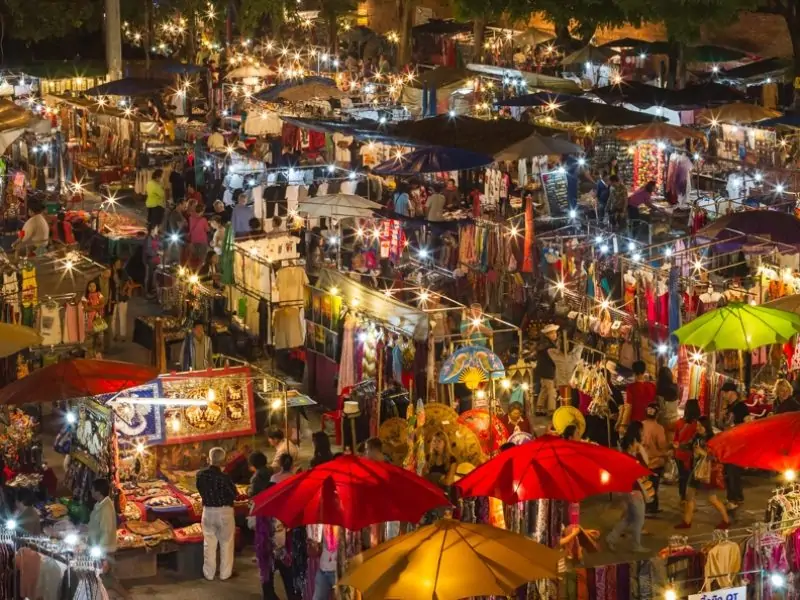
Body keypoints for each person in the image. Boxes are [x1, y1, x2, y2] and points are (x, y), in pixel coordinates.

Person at [675, 417, 730, 530]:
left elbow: (716, 457)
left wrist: (703, 453)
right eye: (698, 425)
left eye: (701, 426)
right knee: (689, 496)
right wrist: (679, 446)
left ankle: (726, 520)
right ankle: (687, 521)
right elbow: (689, 446)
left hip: (707, 472)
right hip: (695, 470)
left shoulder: (712, 439)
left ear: (706, 426)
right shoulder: (696, 437)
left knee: (712, 499)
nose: (698, 428)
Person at [605, 422, 649, 553]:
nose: (643, 435)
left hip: (627, 490)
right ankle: (636, 545)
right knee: (639, 519)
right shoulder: (632, 457)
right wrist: (641, 449)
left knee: (629, 518)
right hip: (633, 491)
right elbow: (646, 467)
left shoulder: (625, 454)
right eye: (641, 433)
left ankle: (611, 538)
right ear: (635, 438)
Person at [197, 448, 237, 581]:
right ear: (223, 461)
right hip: (224, 512)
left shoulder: (200, 475)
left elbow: (200, 489)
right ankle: (225, 574)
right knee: (226, 543)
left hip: (208, 512)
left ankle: (209, 573)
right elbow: (234, 494)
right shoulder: (225, 478)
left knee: (209, 543)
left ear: (209, 459)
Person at [89, 478, 129, 598]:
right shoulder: (100, 505)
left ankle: (126, 597)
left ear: (98, 492)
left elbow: (106, 532)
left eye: (92, 489)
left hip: (104, 551)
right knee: (107, 580)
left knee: (107, 580)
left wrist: (103, 556)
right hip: (100, 548)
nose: (91, 491)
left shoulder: (106, 508)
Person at [723, 381, 747, 508]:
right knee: (728, 472)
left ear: (731, 392)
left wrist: (734, 427)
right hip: (729, 444)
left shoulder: (741, 407)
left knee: (734, 472)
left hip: (737, 445)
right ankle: (731, 497)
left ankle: (736, 499)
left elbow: (746, 425)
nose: (724, 396)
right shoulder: (730, 406)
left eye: (725, 393)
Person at [641, 403, 668, 515]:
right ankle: (650, 509)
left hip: (642, 460)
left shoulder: (640, 425)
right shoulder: (658, 428)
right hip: (655, 462)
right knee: (653, 486)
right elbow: (662, 445)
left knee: (645, 485)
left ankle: (651, 507)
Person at [673, 399, 701, 501]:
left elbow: (675, 439)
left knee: (682, 477)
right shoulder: (698, 425)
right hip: (692, 455)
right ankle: (689, 499)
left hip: (679, 453)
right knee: (691, 478)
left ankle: (682, 497)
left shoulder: (679, 423)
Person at [535, 324, 559, 416]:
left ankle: (539, 408)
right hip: (548, 371)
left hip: (543, 370)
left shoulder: (543, 344)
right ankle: (552, 411)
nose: (554, 335)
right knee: (551, 391)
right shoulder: (549, 346)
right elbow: (553, 359)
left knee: (544, 389)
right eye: (552, 333)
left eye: (555, 333)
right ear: (547, 335)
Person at [110, 257, 132, 342]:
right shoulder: (110, 273)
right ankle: (114, 334)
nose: (119, 264)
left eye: (120, 263)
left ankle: (123, 335)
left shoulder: (123, 271)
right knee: (113, 317)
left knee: (122, 316)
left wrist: (123, 290)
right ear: (114, 264)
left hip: (122, 297)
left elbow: (127, 282)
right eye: (117, 263)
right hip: (113, 298)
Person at [655, 366, 680, 439]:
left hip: (663, 420)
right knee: (672, 440)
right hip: (675, 419)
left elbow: (660, 407)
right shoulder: (676, 387)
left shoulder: (659, 390)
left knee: (663, 442)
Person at [143, 223, 161, 299]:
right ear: (152, 230)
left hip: (156, 260)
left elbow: (159, 245)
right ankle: (148, 293)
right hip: (150, 260)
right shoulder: (148, 238)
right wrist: (157, 252)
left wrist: (160, 251)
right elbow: (148, 250)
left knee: (155, 276)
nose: (158, 229)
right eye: (157, 228)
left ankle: (153, 291)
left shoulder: (156, 237)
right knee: (149, 276)